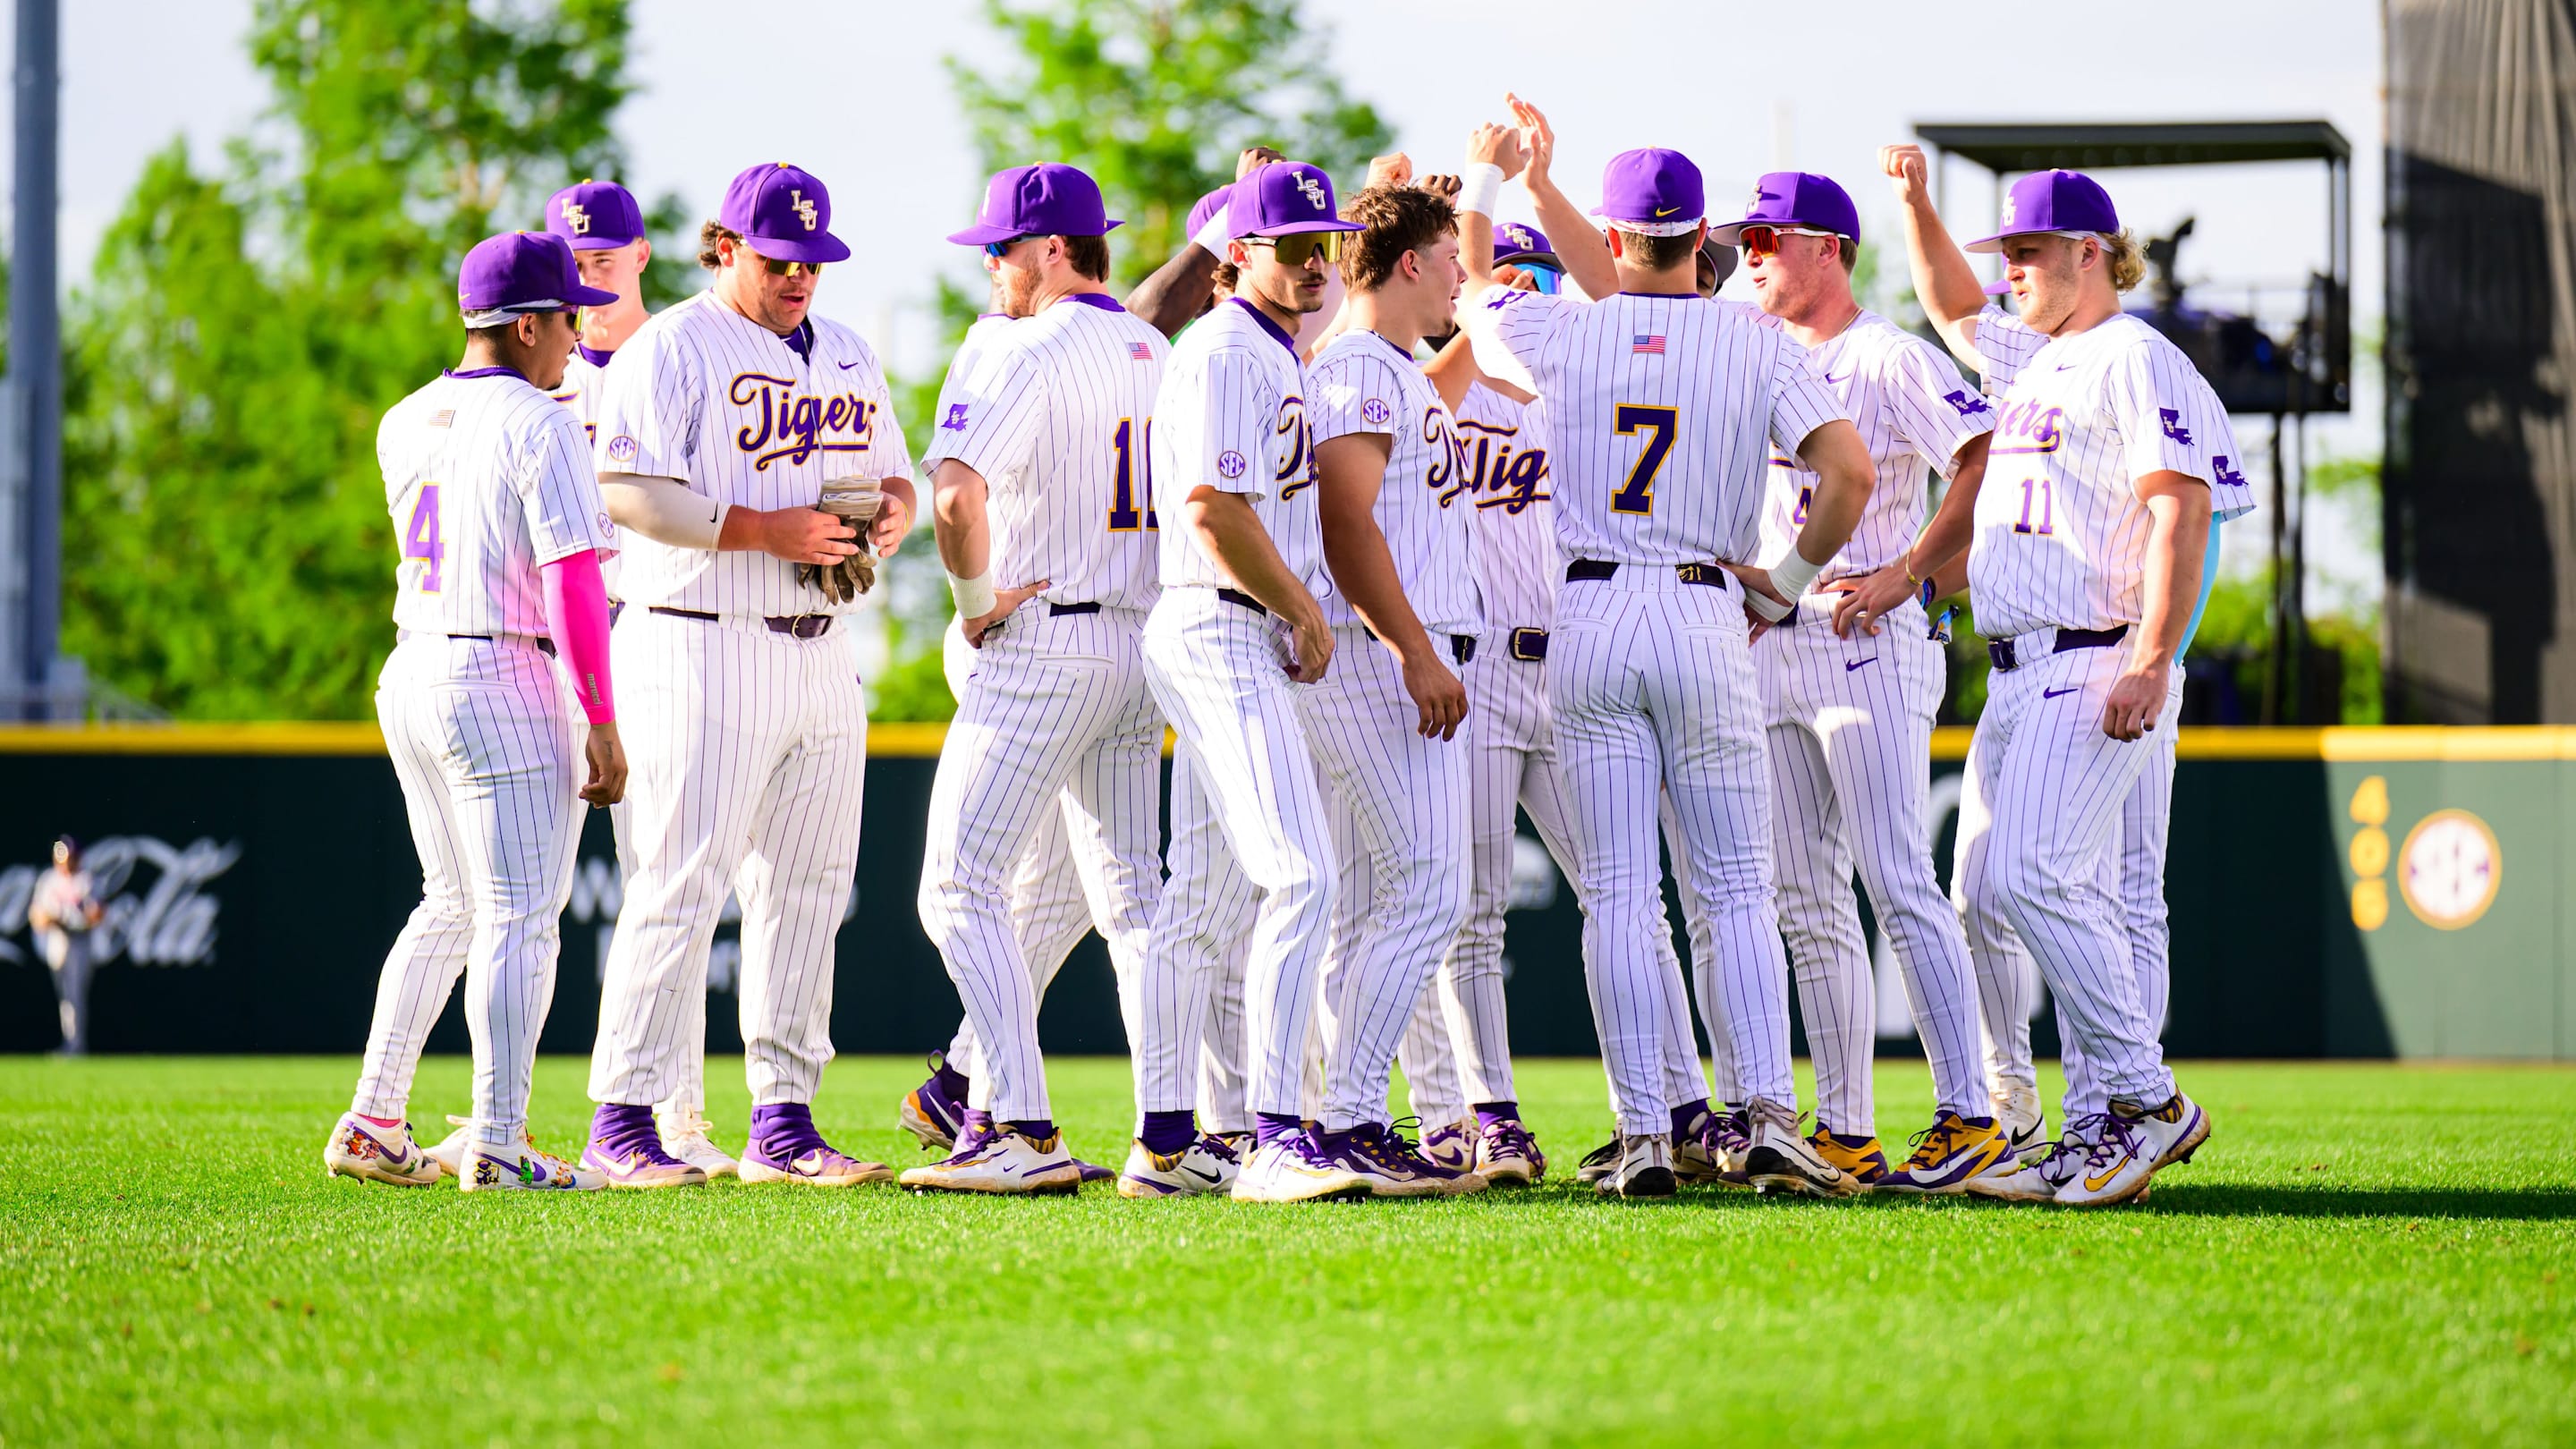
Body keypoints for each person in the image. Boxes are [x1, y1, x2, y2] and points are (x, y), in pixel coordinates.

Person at [1457, 140, 1876, 1199]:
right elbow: (1849, 474)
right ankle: (1767, 1118)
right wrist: (1780, 584)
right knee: (1736, 892)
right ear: (1707, 239)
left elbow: (1469, 284)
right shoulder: (1756, 338)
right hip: (1703, 608)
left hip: (1589, 611)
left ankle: (1644, 1132)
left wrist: (1496, 177)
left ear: (1607, 239)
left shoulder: (1563, 325)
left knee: (1615, 896)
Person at [1878, 146, 2253, 1206]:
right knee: (2018, 893)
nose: (2010, 272)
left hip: (2094, 657)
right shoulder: (2039, 360)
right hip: (2024, 664)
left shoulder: (2132, 355)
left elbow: (2185, 512)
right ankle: (2081, 1123)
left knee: (2039, 881)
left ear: (2091, 254)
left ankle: (2140, 1103)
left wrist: (2151, 656)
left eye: (2030, 254)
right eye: (2008, 253)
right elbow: (1955, 305)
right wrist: (1913, 207)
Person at [582, 162, 917, 1188]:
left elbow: (895, 472)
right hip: (698, 634)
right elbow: (628, 488)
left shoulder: (850, 352)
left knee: (809, 888)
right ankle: (623, 1122)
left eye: (813, 261)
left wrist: (893, 515)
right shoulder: (675, 345)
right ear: (725, 246)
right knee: (681, 882)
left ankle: (784, 1120)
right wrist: (764, 528)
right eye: (780, 259)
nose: (800, 277)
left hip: (820, 645)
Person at [1707, 170, 2010, 1194]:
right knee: (1804, 896)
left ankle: (1971, 1112)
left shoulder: (1885, 355)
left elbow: (1984, 454)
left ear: (1830, 247)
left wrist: (1910, 569)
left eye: (1770, 238)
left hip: (1867, 636)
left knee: (1894, 876)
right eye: (1744, 238)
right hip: (1777, 637)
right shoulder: (1749, 353)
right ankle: (1844, 1129)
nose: (1751, 253)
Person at [326, 230, 625, 1191]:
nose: (579, 335)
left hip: (412, 668)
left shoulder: (403, 417)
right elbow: (573, 581)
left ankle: (375, 1117)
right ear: (527, 324)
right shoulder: (540, 424)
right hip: (501, 669)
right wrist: (603, 718)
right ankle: (498, 1140)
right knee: (520, 917)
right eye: (569, 317)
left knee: (449, 903)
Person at [901, 163, 1174, 1195]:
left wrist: (975, 610)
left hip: (1045, 636)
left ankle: (1015, 1124)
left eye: (1002, 249)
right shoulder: (1157, 347)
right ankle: (1172, 1136)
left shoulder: (1021, 349)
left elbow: (958, 503)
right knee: (1133, 903)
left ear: (1052, 248)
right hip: (1136, 644)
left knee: (958, 885)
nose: (993, 268)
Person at [1137, 160, 1363, 1204]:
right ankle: (1276, 1133)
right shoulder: (1229, 347)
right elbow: (1214, 509)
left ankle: (1169, 1140)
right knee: (1304, 875)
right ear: (1239, 255)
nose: (1315, 264)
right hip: (1222, 622)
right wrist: (1302, 606)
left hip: (1213, 624)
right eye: (1292, 247)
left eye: (1324, 246)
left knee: (1204, 900)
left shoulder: (1268, 345)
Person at [1293, 179, 1488, 1197]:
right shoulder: (1364, 369)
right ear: (1410, 263)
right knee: (1428, 887)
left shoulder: (1389, 367)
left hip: (1390, 656)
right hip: (1378, 662)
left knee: (1379, 904)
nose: (1462, 270)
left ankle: (1353, 1117)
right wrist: (1414, 647)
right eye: (1451, 252)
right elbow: (1346, 523)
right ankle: (1353, 1118)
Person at [28, 835, 104, 1055]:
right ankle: (70, 1043)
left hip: (80, 940)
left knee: (75, 994)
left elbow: (98, 914)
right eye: (60, 857)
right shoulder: (49, 880)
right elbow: (37, 917)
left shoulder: (86, 880)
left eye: (68, 857)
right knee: (65, 995)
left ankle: (76, 1045)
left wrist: (78, 916)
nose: (65, 862)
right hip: (57, 939)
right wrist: (54, 918)